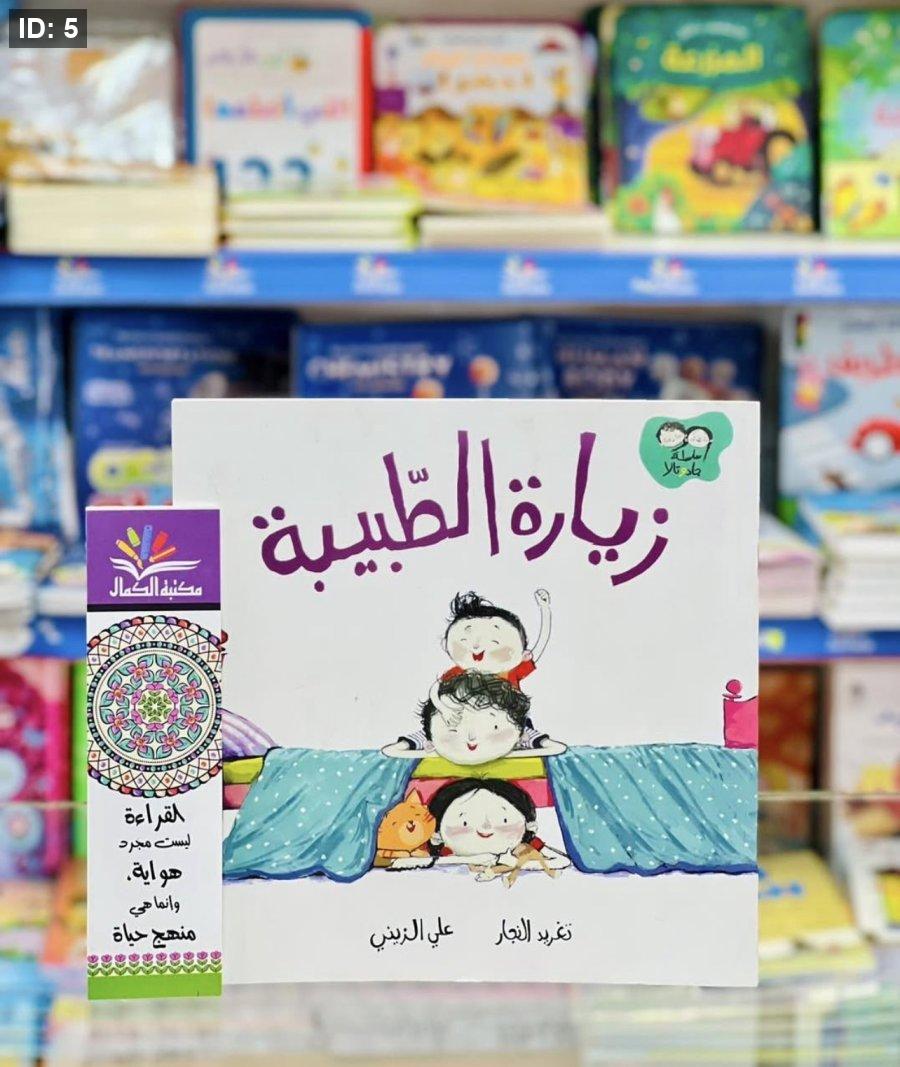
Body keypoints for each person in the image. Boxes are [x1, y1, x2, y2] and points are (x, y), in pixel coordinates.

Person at [382, 669, 565, 763]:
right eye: (454, 729)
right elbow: (393, 750)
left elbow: (554, 747)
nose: (472, 738)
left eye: (492, 727)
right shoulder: (433, 732)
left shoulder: (522, 734)